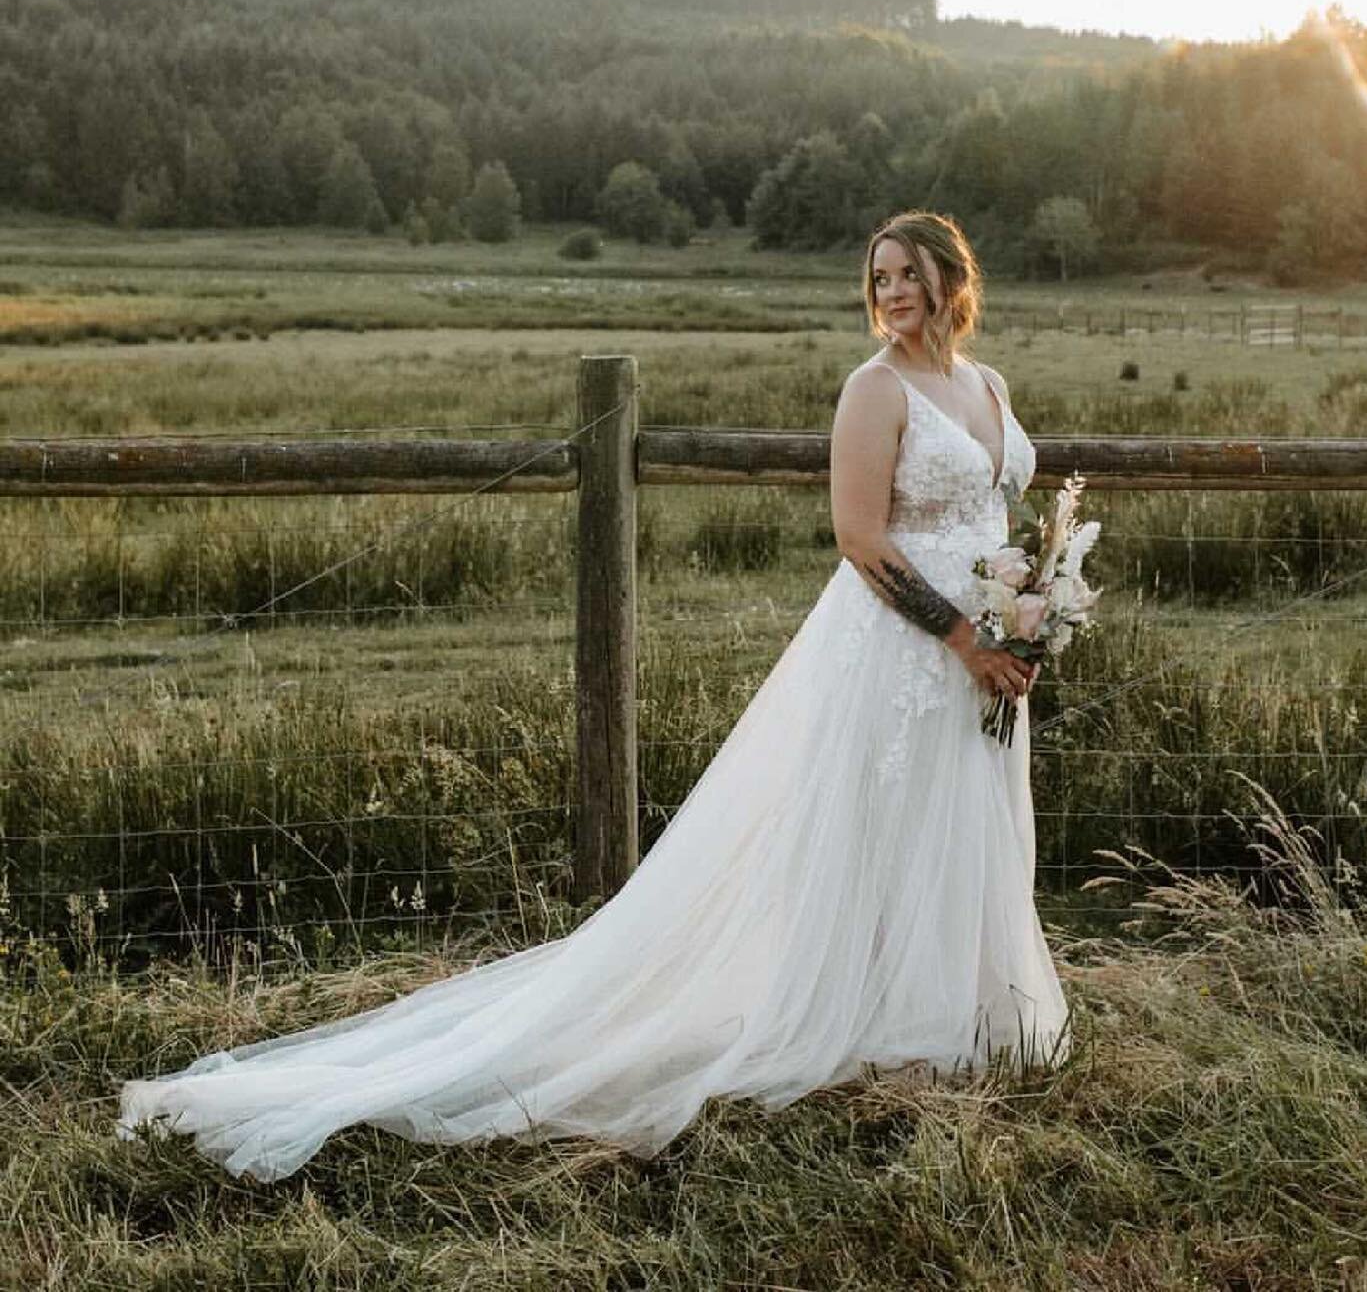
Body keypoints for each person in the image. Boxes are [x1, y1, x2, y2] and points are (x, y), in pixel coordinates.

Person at [118, 209, 1072, 1182]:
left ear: (952, 277)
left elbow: (997, 508)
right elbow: (860, 537)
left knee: (963, 820)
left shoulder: (986, 384)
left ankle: (963, 1014)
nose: (892, 293)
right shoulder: (873, 389)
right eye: (878, 278)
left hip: (988, 656)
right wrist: (960, 634)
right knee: (881, 829)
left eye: (908, 273)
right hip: (908, 652)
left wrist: (1025, 607)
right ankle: (872, 1020)